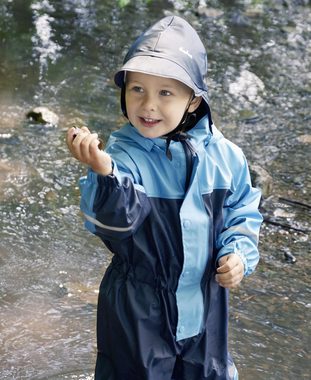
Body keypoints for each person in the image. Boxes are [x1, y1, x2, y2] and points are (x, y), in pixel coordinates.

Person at [66, 15, 262, 380]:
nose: (148, 105)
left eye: (165, 92)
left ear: (193, 101)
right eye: (137, 89)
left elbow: (242, 210)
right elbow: (112, 225)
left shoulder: (226, 157)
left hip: (207, 304)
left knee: (209, 373)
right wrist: (104, 172)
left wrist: (238, 252)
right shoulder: (124, 155)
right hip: (137, 309)